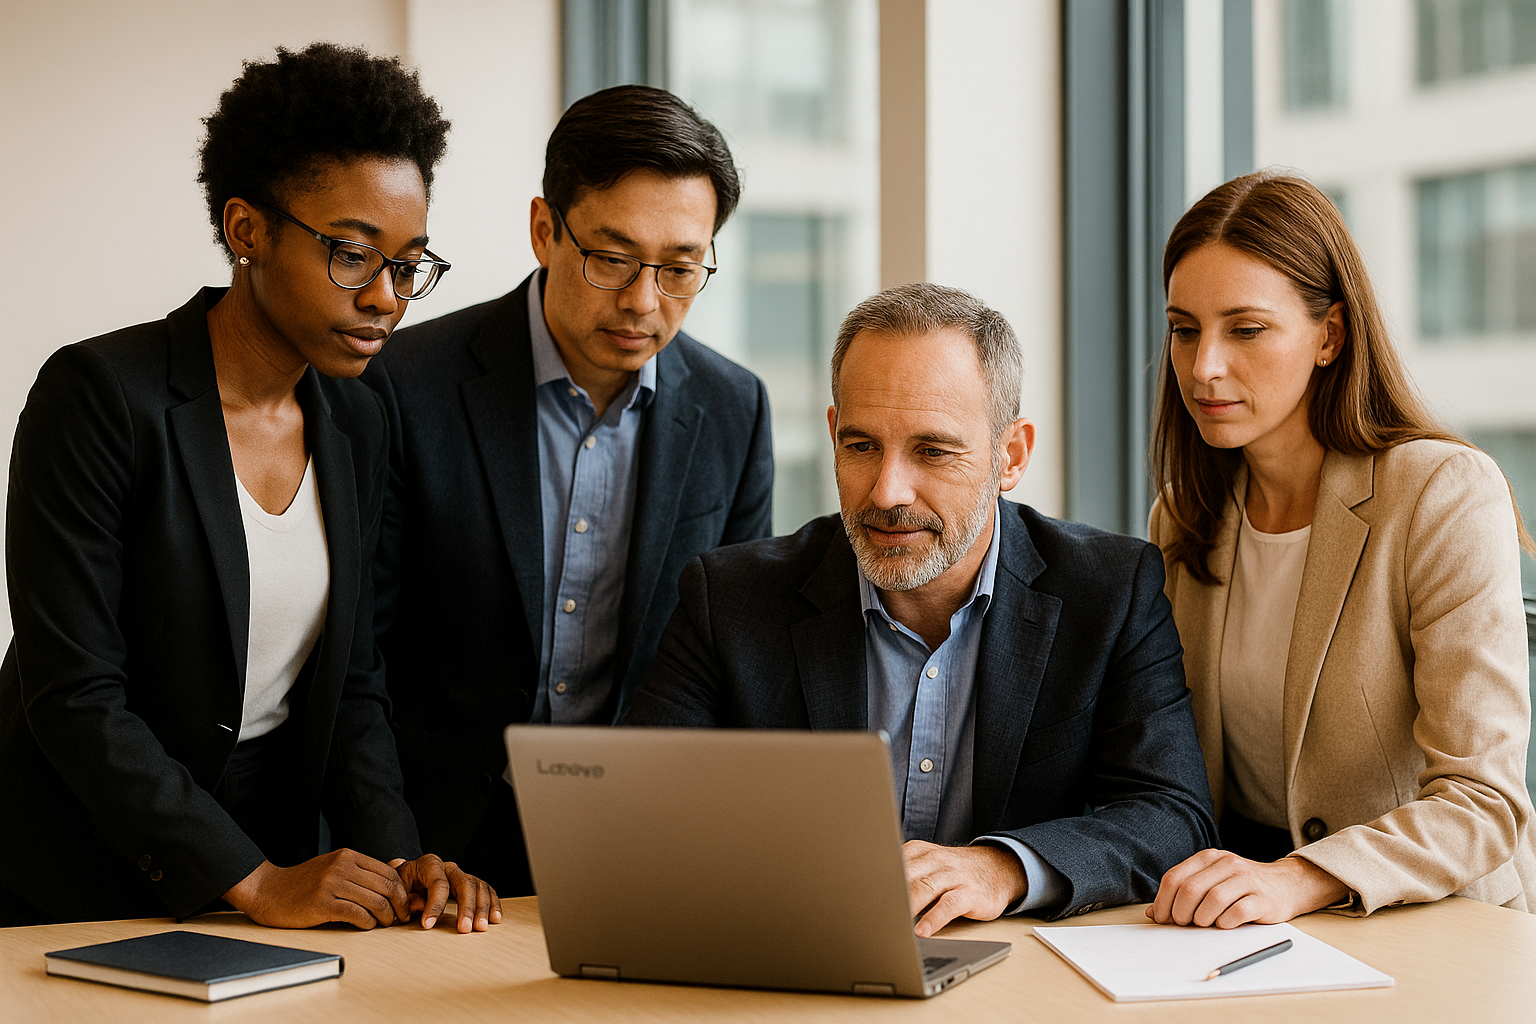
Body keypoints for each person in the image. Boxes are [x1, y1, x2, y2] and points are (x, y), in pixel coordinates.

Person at [0, 43, 499, 932]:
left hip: (269, 865)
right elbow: (74, 694)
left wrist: (395, 860)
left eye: (410, 262)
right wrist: (254, 879)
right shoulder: (101, 396)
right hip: (78, 872)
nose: (388, 296)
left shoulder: (357, 420)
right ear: (246, 231)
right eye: (353, 254)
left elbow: (351, 679)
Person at [624, 283, 1217, 930]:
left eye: (932, 451)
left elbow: (1171, 814)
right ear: (832, 435)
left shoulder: (1109, 589)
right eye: (861, 446)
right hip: (800, 957)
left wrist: (1004, 868)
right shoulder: (730, 599)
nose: (887, 491)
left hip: (1017, 979)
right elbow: (641, 814)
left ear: (1010, 455)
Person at [363, 85, 774, 896]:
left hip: (633, 843)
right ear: (545, 230)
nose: (644, 302)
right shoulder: (404, 385)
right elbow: (356, 657)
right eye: (613, 259)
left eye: (682, 268)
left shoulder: (736, 410)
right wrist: (396, 849)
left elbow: (732, 660)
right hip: (427, 842)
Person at [1146, 171, 1536, 929]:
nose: (1203, 368)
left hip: (1423, 920)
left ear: (1329, 336)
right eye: (1185, 329)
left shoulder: (1441, 493)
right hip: (1239, 917)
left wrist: (1303, 878)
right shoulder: (1184, 517)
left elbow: (1484, 801)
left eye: (1246, 329)